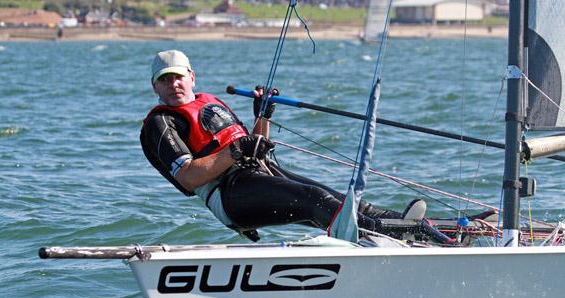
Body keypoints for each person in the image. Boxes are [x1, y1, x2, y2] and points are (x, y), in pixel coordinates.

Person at [140, 50, 425, 242]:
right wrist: (237, 150)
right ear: (155, 87)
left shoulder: (210, 102)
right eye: (164, 80)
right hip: (228, 196)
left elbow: (258, 146)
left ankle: (435, 228)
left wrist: (262, 115)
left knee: (350, 203)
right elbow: (189, 177)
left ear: (192, 77)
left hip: (261, 176)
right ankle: (396, 237)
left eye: (178, 76)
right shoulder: (162, 123)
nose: (173, 84)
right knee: (315, 200)